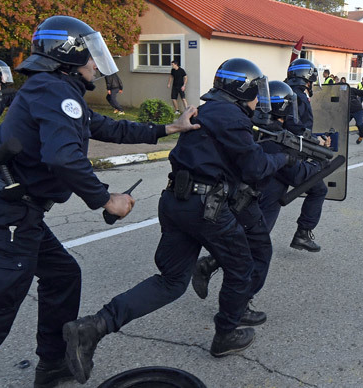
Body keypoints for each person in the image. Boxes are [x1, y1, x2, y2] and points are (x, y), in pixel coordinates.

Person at [0, 15, 199, 388]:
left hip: (15, 213)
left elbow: (107, 127)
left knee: (62, 275)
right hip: (3, 217)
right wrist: (106, 199)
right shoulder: (53, 90)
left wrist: (170, 128)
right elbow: (63, 158)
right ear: (69, 55)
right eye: (91, 54)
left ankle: (53, 363)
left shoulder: (58, 91)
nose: (96, 62)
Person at [62, 58, 292, 384]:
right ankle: (225, 334)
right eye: (256, 93)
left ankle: (92, 328)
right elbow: (255, 168)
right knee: (243, 266)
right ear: (245, 92)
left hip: (175, 200)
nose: (258, 101)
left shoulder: (209, 109)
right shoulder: (233, 117)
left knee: (170, 281)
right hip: (206, 207)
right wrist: (285, 157)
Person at [191, 80, 326, 312]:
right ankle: (238, 307)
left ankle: (211, 266)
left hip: (244, 198)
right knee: (257, 252)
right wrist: (318, 163)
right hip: (260, 200)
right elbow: (296, 173)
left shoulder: (256, 128)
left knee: (246, 245)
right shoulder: (273, 137)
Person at [284, 58, 328, 252]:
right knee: (319, 189)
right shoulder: (299, 96)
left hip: (272, 155)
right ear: (307, 79)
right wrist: (316, 140)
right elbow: (295, 128)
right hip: (289, 157)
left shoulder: (281, 91)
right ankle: (303, 234)